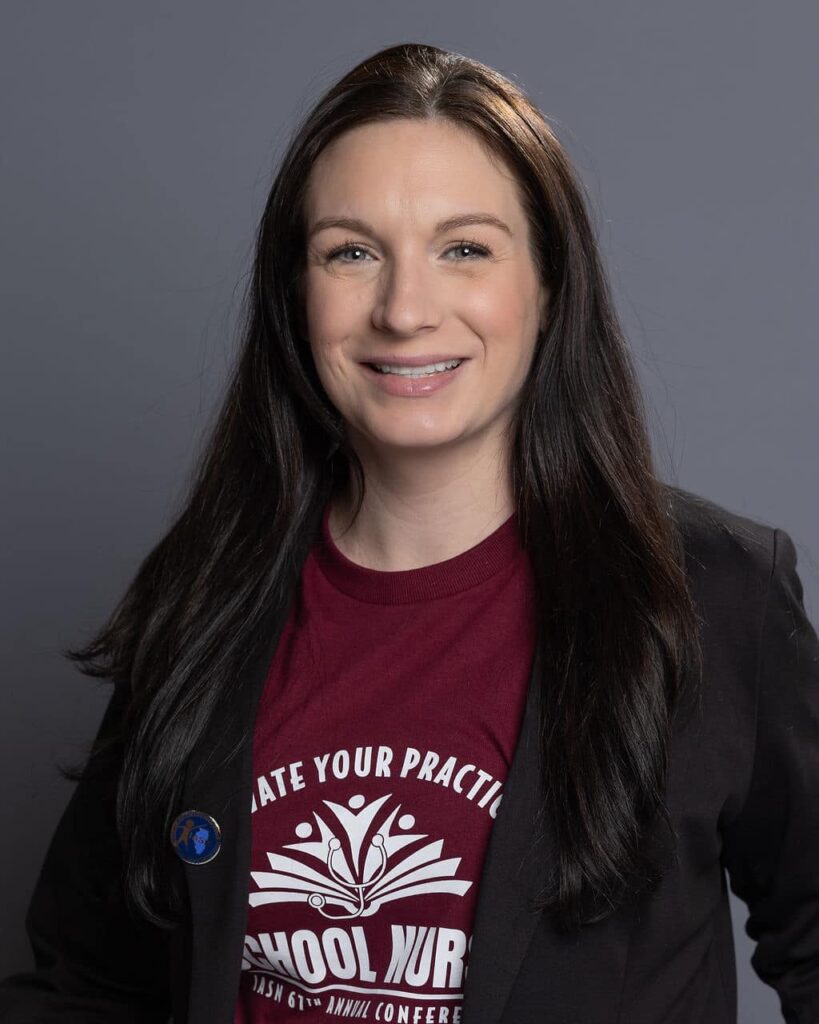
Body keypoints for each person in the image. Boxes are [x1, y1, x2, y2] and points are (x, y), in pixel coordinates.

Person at [1, 41, 817, 1024]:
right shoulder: (207, 591)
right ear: (294, 293)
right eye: (350, 252)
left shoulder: (713, 593)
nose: (404, 309)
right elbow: (86, 986)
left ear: (549, 286)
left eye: (464, 248)